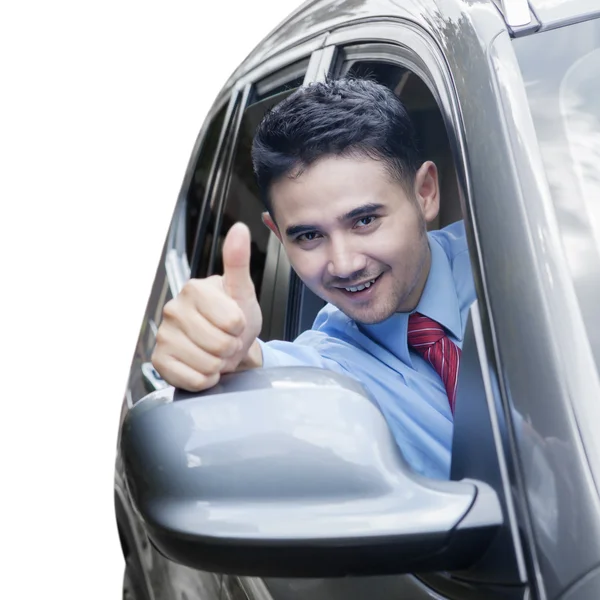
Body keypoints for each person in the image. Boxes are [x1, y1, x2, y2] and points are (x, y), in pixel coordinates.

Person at [152, 78, 475, 480]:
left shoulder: (520, 260)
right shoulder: (329, 370)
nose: (343, 264)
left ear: (425, 193)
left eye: (365, 220)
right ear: (277, 235)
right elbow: (264, 367)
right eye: (309, 236)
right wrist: (219, 349)